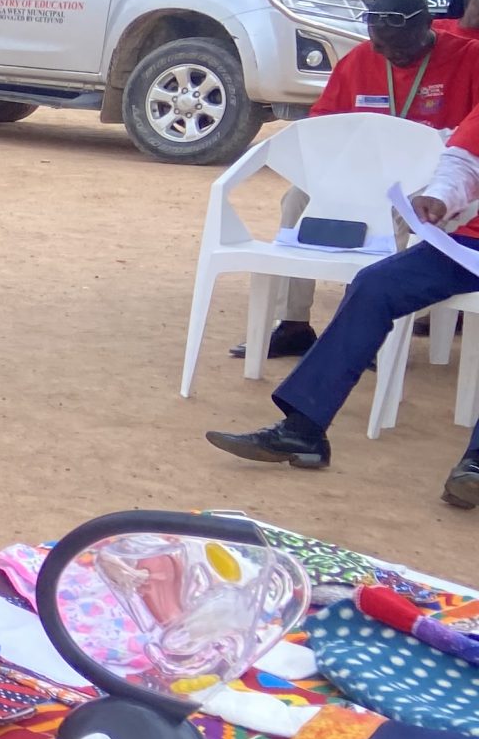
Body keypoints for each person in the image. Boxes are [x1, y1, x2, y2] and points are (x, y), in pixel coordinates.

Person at [205, 102, 479, 506]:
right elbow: (465, 160)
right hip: (468, 247)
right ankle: (304, 429)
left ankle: (474, 466)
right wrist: (439, 197)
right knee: (375, 285)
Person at [251, 0, 479, 359]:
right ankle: (292, 324)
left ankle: (370, 334)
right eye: (378, 43)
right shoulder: (360, 58)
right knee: (297, 200)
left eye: (397, 45)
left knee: (400, 216)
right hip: (361, 172)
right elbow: (322, 122)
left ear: (427, 27)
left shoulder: (469, 57)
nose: (384, 53)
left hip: (430, 179)